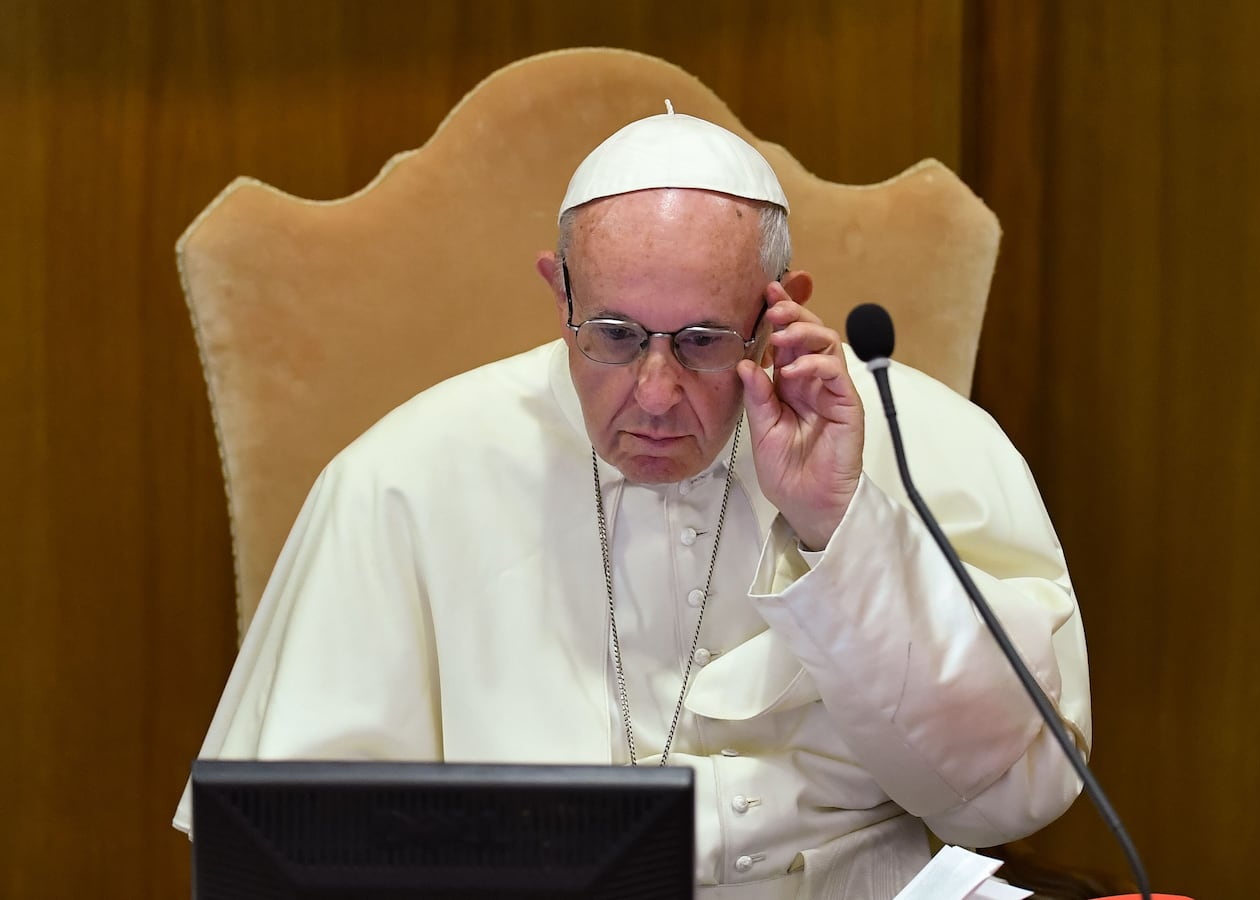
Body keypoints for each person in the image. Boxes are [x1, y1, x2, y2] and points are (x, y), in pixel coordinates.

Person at [175, 108, 1091, 899]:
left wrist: (840, 531)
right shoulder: (400, 478)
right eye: (612, 335)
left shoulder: (919, 440)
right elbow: (289, 848)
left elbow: (1015, 793)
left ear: (779, 312)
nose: (654, 393)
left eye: (700, 341)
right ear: (558, 294)